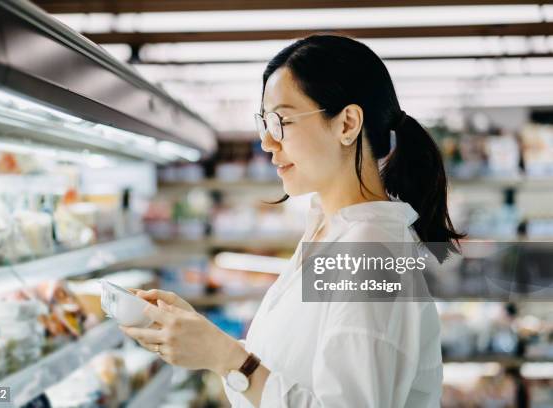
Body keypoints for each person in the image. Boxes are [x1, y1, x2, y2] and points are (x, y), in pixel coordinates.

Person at [121, 34, 464, 407]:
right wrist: (205, 342)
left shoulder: (371, 254)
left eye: (282, 120)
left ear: (347, 123)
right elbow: (300, 368)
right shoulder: (334, 229)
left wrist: (226, 357)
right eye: (265, 122)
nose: (268, 142)